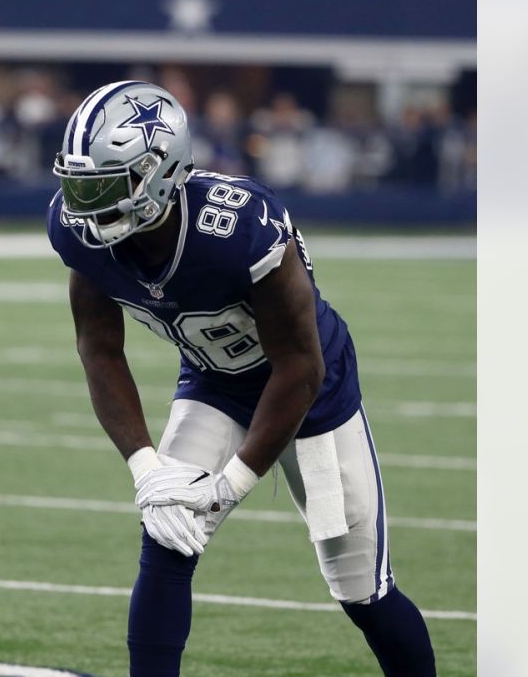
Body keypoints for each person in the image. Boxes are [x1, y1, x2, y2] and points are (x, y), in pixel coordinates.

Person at [46, 81, 435, 676]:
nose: (83, 205)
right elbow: (99, 349)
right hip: (215, 382)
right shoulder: (81, 233)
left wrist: (230, 484)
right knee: (168, 534)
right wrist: (146, 467)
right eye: (76, 185)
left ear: (158, 172)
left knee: (362, 592)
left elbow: (301, 368)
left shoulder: (237, 229)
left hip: (314, 399)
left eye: (101, 185)